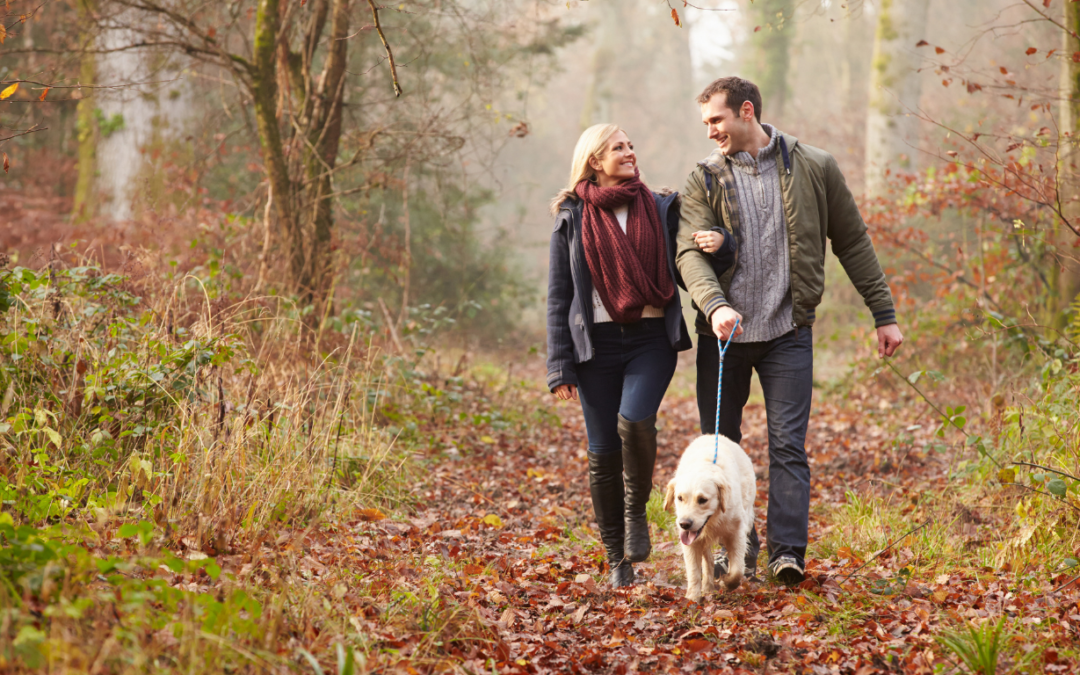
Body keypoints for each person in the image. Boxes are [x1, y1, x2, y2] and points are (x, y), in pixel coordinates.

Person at [675, 77, 904, 586]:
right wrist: (713, 306)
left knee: (788, 448)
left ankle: (786, 554)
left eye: (717, 120)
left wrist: (882, 313)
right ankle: (727, 555)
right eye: (706, 123)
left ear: (747, 111)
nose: (711, 131)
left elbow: (853, 241)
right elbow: (689, 254)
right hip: (724, 337)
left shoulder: (814, 167)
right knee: (719, 450)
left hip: (788, 333)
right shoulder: (703, 180)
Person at [546, 123, 693, 588]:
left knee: (634, 420)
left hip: (651, 338)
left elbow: (691, 261)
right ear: (595, 160)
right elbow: (558, 295)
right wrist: (560, 365)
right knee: (603, 452)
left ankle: (636, 510)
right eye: (619, 147)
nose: (630, 152)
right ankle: (617, 560)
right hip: (596, 348)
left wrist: (718, 247)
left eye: (631, 145)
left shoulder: (660, 205)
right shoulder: (571, 215)